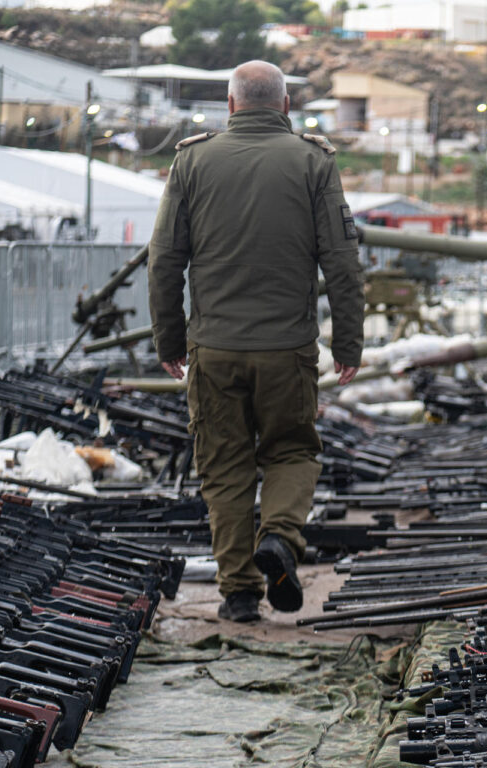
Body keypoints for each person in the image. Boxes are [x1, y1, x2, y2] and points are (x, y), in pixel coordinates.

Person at [148, 60, 364, 622]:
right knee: (292, 449)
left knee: (224, 465)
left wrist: (169, 339)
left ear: (230, 105)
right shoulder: (314, 162)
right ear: (286, 106)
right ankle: (280, 537)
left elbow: (165, 260)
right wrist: (349, 345)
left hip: (212, 348)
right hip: (286, 347)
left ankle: (239, 594)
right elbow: (341, 261)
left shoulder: (192, 160)